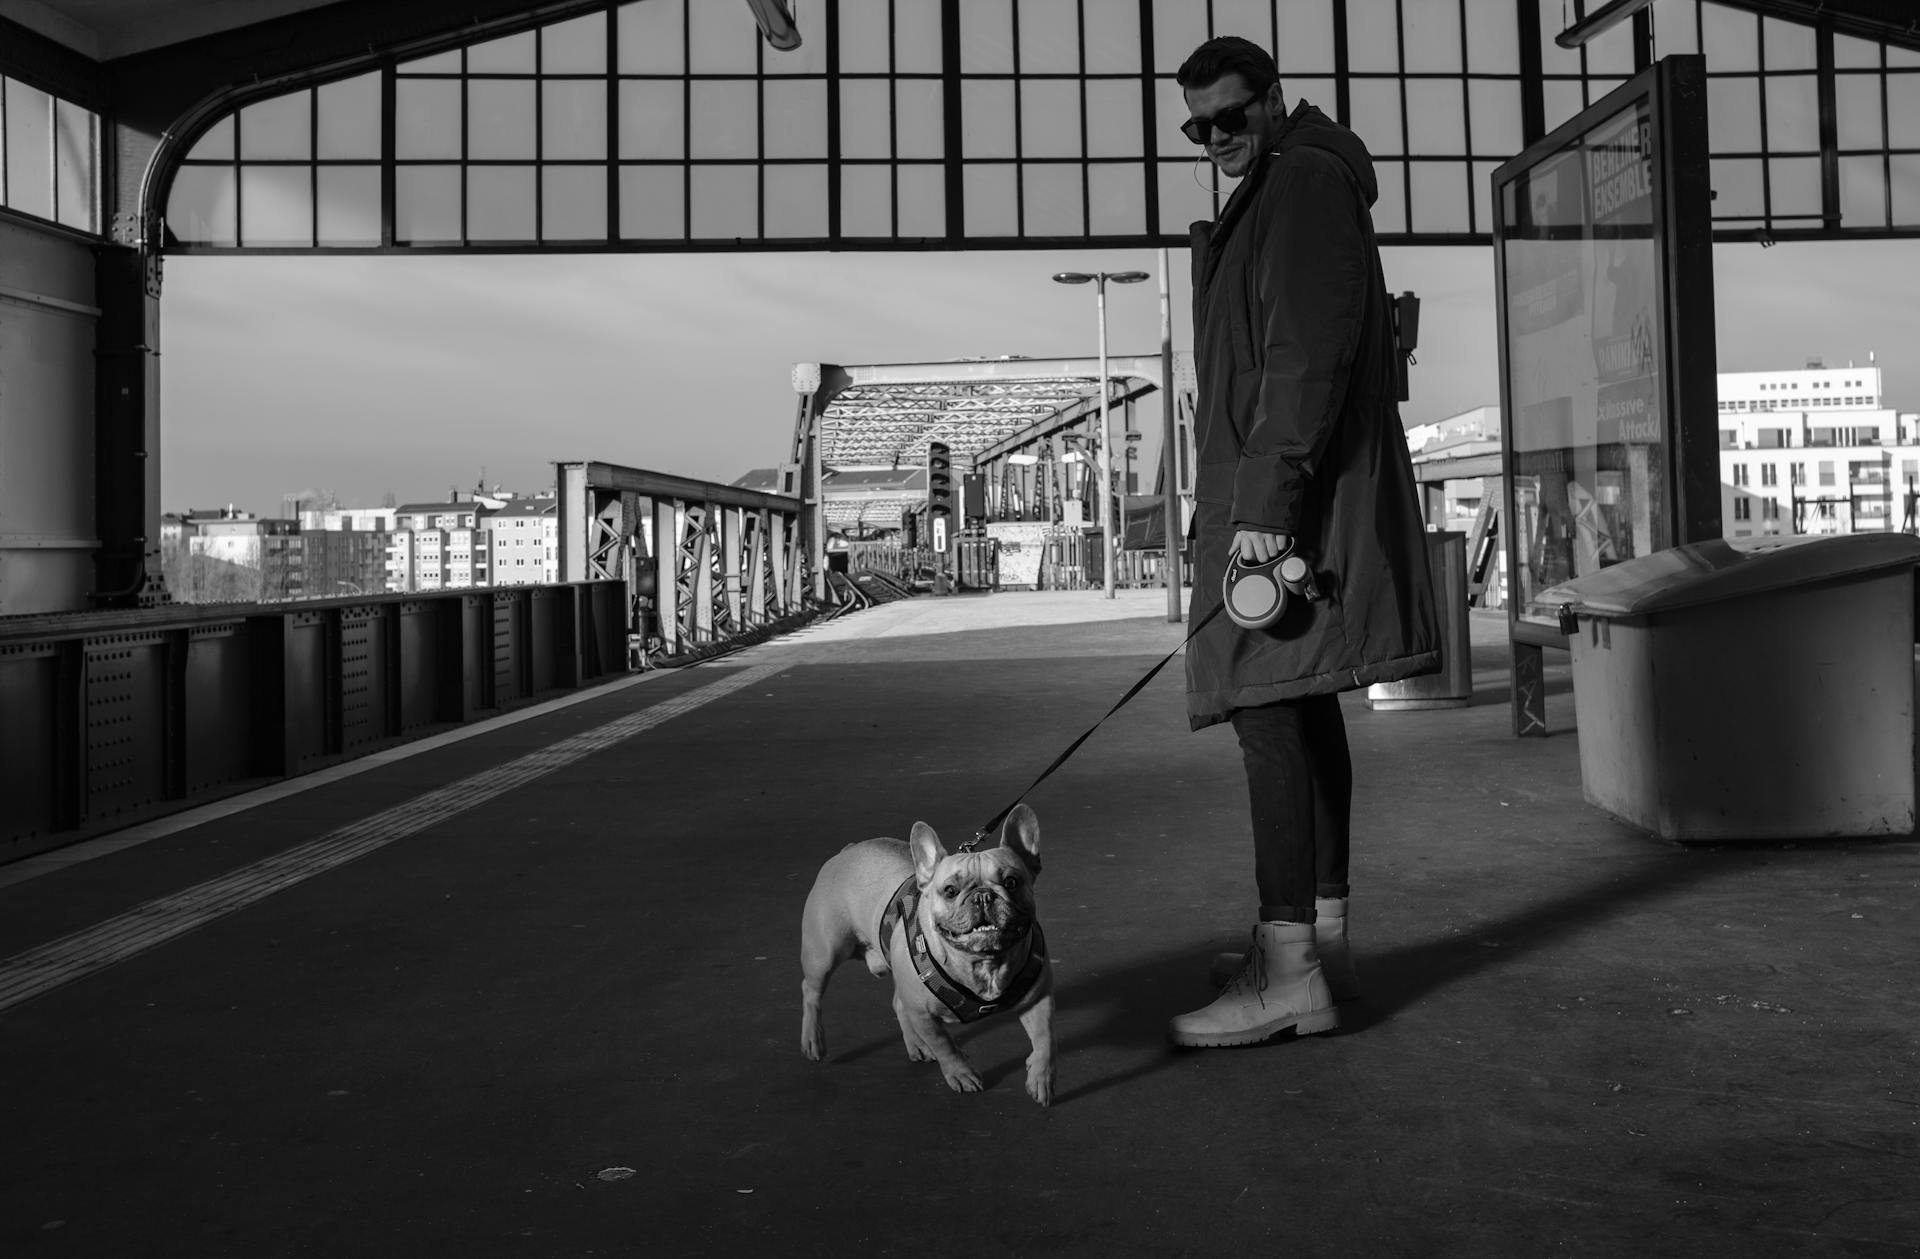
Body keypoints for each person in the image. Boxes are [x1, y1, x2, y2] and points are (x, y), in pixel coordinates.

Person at [1168, 36, 1440, 1049]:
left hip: (1288, 509)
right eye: (1198, 128)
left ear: (1273, 100)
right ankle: (1322, 942)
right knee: (1300, 703)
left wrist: (1265, 513)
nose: (1216, 141)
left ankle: (1289, 971)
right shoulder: (1286, 185)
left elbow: (1302, 364)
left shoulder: (1303, 188)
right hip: (1286, 499)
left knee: (1265, 711)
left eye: (1231, 118)